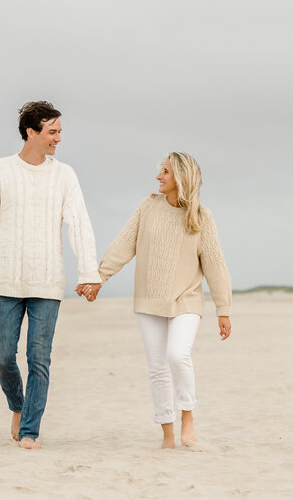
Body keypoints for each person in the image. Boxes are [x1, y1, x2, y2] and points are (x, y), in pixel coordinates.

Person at [0, 101, 102, 450]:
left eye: (59, 132)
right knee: (2, 358)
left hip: (47, 281)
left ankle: (29, 431)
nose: (58, 138)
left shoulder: (64, 175)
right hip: (6, 279)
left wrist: (89, 271)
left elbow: (79, 223)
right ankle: (18, 404)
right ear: (31, 132)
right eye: (52, 131)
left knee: (39, 359)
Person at [80, 152, 231, 448]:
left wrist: (223, 309)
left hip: (186, 300)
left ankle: (187, 416)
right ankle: (168, 434)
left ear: (181, 178)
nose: (158, 176)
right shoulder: (148, 207)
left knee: (177, 355)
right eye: (160, 170)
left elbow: (215, 264)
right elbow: (124, 244)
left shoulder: (202, 217)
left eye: (165, 171)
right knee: (158, 367)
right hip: (149, 300)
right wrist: (99, 278)